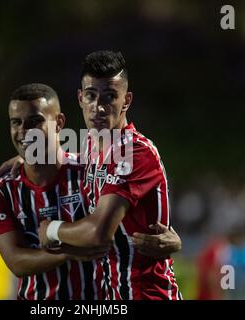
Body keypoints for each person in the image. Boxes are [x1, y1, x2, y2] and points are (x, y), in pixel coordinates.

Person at [38, 50, 182, 300]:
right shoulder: (91, 146)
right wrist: (19, 160)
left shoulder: (136, 153)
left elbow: (98, 232)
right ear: (80, 98)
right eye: (91, 96)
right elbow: (59, 159)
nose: (99, 107)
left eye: (110, 97)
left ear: (126, 101)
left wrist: (51, 229)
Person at [0, 83, 109, 299]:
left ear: (59, 123)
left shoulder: (91, 171)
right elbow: (16, 262)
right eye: (16, 122)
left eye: (35, 121)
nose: (24, 131)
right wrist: (72, 251)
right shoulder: (0, 190)